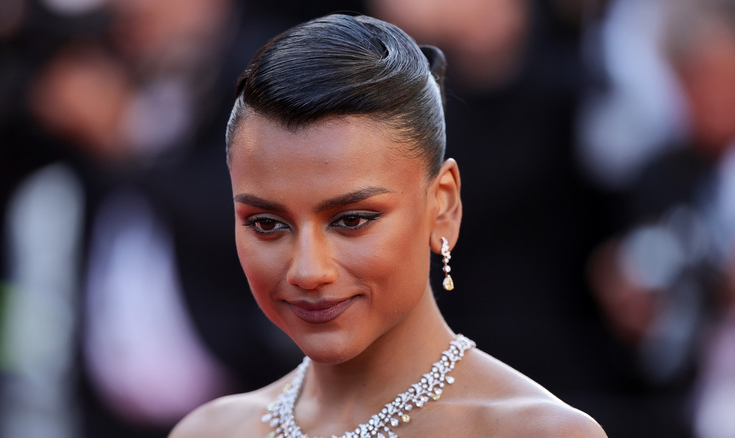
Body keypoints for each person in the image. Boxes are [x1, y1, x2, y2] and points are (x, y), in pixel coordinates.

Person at [170, 14, 606, 438]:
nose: (308, 271)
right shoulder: (208, 431)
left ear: (443, 206)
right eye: (267, 224)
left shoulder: (537, 432)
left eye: (351, 220)